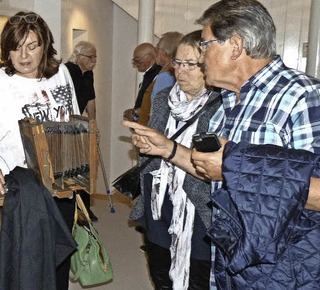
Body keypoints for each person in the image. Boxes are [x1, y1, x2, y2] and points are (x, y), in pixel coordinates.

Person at [125, 0, 320, 288]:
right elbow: (213, 168)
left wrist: (233, 169)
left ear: (236, 46)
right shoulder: (229, 101)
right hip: (230, 259)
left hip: (284, 269)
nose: (201, 57)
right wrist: (167, 149)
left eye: (205, 45)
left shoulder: (302, 97)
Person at [0, 11, 79, 290]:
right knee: (27, 266)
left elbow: (75, 126)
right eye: (16, 48)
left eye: (32, 46)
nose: (23, 56)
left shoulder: (62, 74)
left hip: (61, 184)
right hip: (24, 191)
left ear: (46, 45)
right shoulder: (0, 82)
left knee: (59, 261)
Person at [126, 30, 220, 290]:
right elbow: (153, 150)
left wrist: (168, 147)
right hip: (159, 202)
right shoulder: (161, 101)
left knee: (198, 280)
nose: (181, 71)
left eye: (191, 64)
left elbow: (215, 165)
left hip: (199, 208)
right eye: (177, 63)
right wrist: (144, 144)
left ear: (207, 65)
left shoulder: (222, 106)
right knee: (160, 275)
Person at [64, 41, 98, 222]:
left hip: (80, 128)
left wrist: (93, 126)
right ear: (78, 57)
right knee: (70, 170)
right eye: (90, 57)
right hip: (66, 128)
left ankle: (85, 208)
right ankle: (73, 208)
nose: (94, 60)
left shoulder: (89, 74)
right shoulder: (66, 71)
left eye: (95, 57)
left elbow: (91, 100)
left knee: (85, 168)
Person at [136, 31, 183, 125]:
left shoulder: (166, 74)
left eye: (157, 49)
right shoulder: (174, 71)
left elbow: (158, 108)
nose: (155, 53)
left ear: (164, 53)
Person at [132, 43, 161, 111]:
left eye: (137, 60)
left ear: (148, 57)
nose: (135, 64)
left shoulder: (157, 75)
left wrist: (135, 112)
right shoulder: (150, 74)